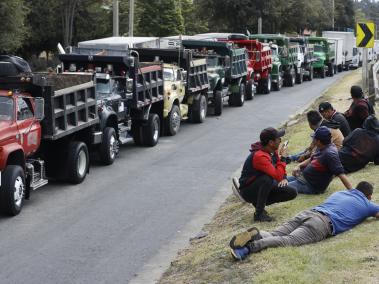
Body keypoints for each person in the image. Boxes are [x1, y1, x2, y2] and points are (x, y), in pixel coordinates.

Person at [230, 181, 379, 261]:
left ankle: (259, 234)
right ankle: (248, 248)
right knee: (287, 241)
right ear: (369, 196)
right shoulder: (367, 204)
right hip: (322, 224)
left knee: (275, 233)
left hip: (308, 213)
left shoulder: (341, 192)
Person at [236, 127, 297, 222]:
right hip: (248, 191)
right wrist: (283, 159)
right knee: (267, 179)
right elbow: (277, 175)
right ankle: (259, 214)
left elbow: (279, 169)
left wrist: (284, 177)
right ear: (271, 142)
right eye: (278, 139)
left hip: (262, 185)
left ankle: (259, 202)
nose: (280, 140)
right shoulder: (259, 156)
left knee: (292, 192)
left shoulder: (272, 150)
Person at [288, 126, 352, 194]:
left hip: (310, 186)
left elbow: (341, 174)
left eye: (314, 138)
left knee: (280, 188)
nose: (313, 140)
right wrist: (299, 166)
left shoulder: (330, 154)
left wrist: (353, 192)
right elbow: (311, 159)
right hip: (302, 178)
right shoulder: (322, 146)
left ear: (318, 141)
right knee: (281, 180)